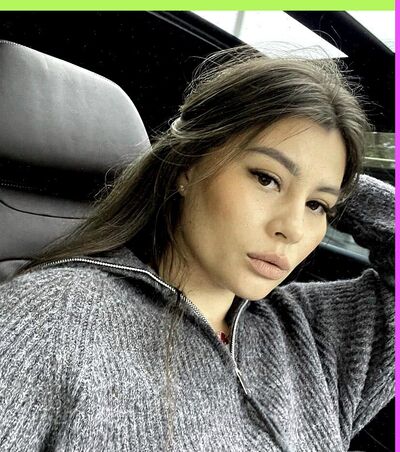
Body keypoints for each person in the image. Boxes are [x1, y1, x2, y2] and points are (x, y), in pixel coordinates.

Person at [0, 46, 394, 452]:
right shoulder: (49, 319)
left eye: (317, 206)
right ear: (188, 165)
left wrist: (334, 178)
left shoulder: (314, 336)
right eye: (265, 178)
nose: (292, 229)